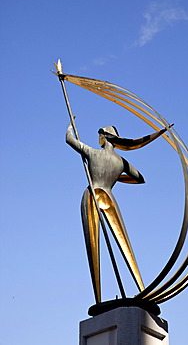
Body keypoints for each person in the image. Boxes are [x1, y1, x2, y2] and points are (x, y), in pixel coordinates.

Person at [66, 122, 166, 302]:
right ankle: (141, 287)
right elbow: (140, 179)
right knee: (125, 244)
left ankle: (98, 299)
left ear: (104, 138)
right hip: (109, 195)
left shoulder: (93, 153)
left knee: (92, 245)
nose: (98, 139)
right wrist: (115, 176)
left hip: (92, 193)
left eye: (100, 136)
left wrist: (70, 125)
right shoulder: (121, 161)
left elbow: (70, 140)